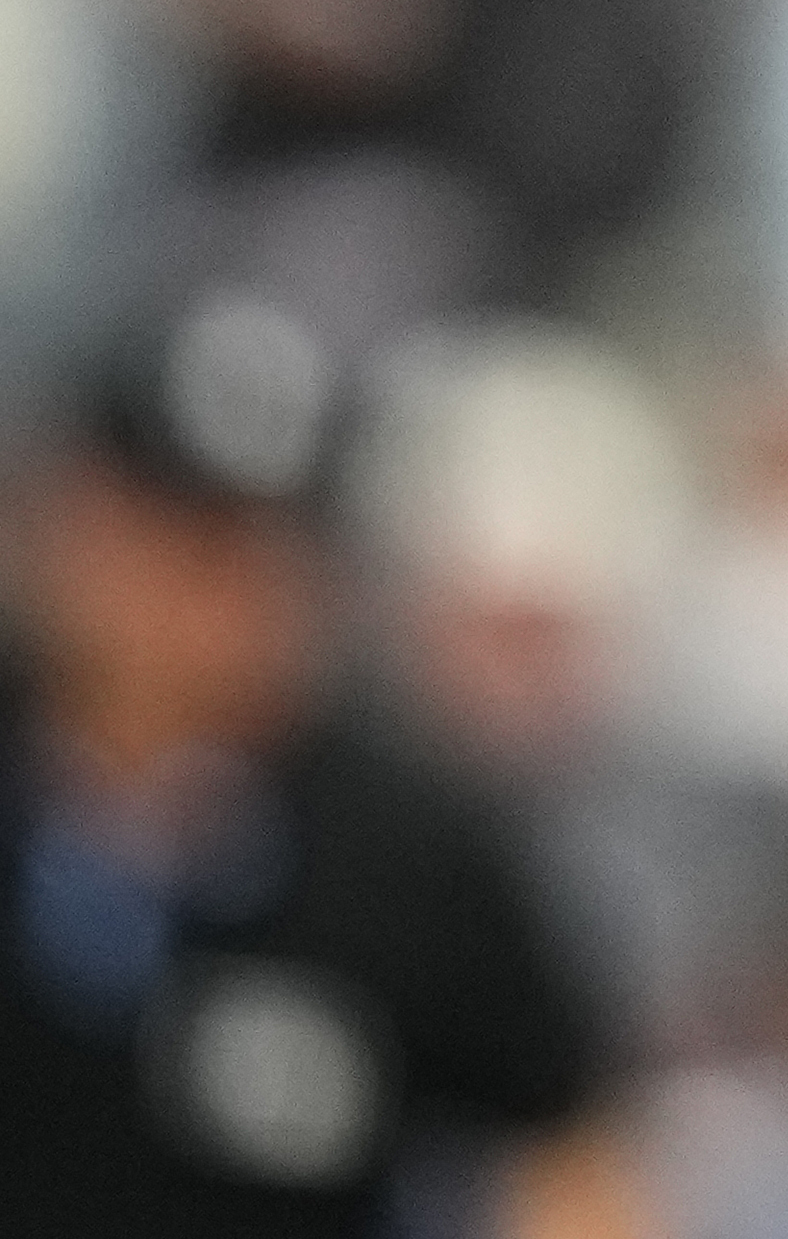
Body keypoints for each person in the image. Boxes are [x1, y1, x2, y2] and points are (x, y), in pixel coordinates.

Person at [2, 291, 633, 1236]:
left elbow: (570, 1155)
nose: (224, 606)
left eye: (273, 549)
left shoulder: (408, 859)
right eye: (189, 544)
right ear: (71, 524)